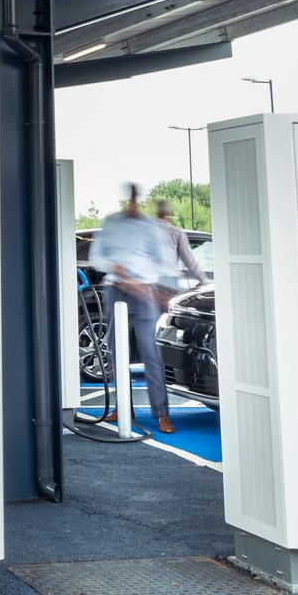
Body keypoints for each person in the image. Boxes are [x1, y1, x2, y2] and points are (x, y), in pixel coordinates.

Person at [89, 183, 177, 434]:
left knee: (150, 354)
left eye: (136, 199)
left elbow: (163, 262)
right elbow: (97, 257)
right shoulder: (111, 223)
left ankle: (162, 413)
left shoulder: (150, 226)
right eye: (129, 199)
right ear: (125, 200)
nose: (133, 203)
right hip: (116, 290)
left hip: (142, 292)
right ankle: (122, 408)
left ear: (141, 200)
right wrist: (116, 269)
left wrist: (140, 280)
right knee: (116, 354)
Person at [155, 198, 205, 284]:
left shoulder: (147, 230)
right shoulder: (176, 233)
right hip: (169, 281)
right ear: (168, 214)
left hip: (149, 281)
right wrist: (204, 280)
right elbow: (189, 261)